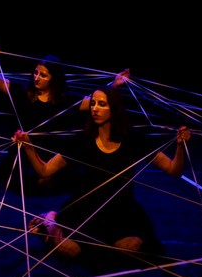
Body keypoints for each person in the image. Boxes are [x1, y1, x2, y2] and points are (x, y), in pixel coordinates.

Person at [13, 85, 191, 265]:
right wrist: (28, 146)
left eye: (102, 104)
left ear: (114, 108)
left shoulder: (133, 140)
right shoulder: (82, 140)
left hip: (121, 211)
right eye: (93, 104)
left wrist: (180, 146)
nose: (95, 109)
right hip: (86, 210)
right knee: (68, 250)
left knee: (130, 249)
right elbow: (44, 171)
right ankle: (50, 221)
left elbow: (173, 170)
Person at [0, 45, 129, 195]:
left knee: (54, 178)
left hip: (51, 153)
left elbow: (95, 100)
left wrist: (115, 84)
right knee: (22, 182)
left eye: (43, 75)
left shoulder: (64, 99)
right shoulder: (23, 92)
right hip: (25, 151)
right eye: (36, 73)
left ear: (54, 78)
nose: (37, 78)